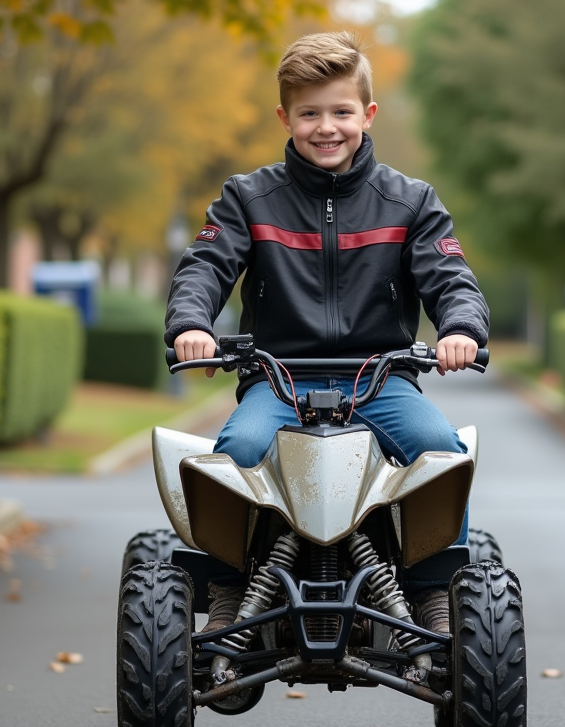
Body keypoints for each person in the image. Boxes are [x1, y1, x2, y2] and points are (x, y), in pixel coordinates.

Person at [164, 31, 489, 636]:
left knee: (442, 453)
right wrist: (191, 325)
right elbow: (204, 269)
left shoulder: (410, 201)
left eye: (341, 111)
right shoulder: (247, 198)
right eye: (309, 113)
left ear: (367, 114)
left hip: (383, 379)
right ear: (284, 117)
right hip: (278, 379)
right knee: (232, 455)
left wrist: (461, 330)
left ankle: (431, 592)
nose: (326, 127)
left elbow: (452, 279)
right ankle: (232, 591)